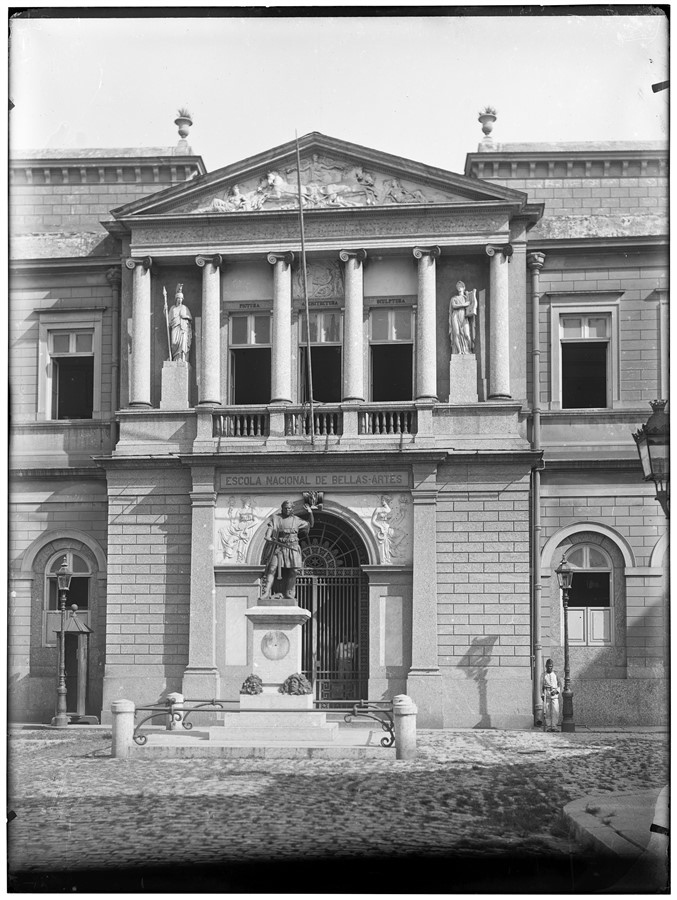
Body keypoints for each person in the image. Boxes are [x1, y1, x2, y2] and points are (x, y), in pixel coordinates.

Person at [260, 500, 314, 600]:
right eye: (285, 508)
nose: (287, 510)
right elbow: (271, 528)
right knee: (272, 569)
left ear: (292, 509)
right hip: (279, 548)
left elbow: (310, 524)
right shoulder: (276, 518)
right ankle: (266, 592)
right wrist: (268, 536)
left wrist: (310, 512)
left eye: (289, 508)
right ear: (282, 508)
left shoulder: (297, 520)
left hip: (293, 547)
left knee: (294, 571)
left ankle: (289, 593)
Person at [449, 281, 476, 355]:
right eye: (458, 287)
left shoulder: (466, 298)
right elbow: (454, 306)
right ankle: (459, 351)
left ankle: (468, 351)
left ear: (464, 288)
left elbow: (472, 305)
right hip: (455, 315)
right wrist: (464, 305)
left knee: (467, 334)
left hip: (464, 316)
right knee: (456, 333)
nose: (459, 288)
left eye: (460, 286)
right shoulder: (454, 298)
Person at [168, 284, 193, 362]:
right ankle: (174, 358)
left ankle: (182, 358)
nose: (180, 300)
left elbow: (190, 318)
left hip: (183, 328)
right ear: (176, 299)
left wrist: (184, 317)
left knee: (182, 344)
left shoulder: (185, 308)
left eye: (181, 298)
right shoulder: (173, 308)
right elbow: (169, 320)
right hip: (175, 327)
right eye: (178, 298)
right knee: (174, 343)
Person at [541, 658, 562, 731]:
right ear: (546, 666)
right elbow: (541, 686)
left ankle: (554, 726)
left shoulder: (556, 674)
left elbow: (559, 685)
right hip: (547, 695)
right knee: (547, 712)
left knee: (555, 711)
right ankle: (549, 726)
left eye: (551, 666)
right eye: (548, 666)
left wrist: (556, 691)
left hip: (554, 696)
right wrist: (542, 694)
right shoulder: (543, 675)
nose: (550, 668)